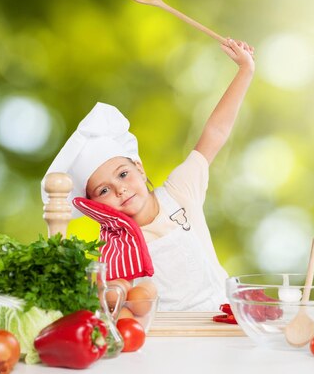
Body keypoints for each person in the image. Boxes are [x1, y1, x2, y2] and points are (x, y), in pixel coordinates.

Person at [42, 38, 254, 311]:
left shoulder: (179, 191)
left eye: (123, 174)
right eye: (104, 190)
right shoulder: (115, 246)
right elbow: (120, 299)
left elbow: (215, 132)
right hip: (167, 338)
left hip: (222, 317)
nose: (119, 190)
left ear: (139, 168)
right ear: (95, 206)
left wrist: (245, 70)